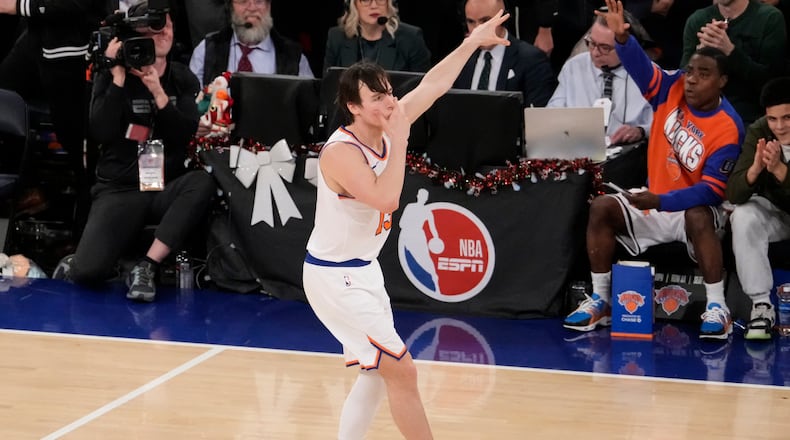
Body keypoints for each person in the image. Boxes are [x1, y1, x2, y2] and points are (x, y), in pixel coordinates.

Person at [302, 10, 509, 439]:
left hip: (363, 271)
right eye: (376, 98)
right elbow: (386, 198)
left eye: (390, 93)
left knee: (377, 373)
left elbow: (433, 84)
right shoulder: (341, 153)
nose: (390, 103)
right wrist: (400, 140)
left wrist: (473, 42)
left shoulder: (390, 121)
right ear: (353, 107)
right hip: (333, 278)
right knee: (402, 370)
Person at [564, 0, 744, 340]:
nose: (691, 81)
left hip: (691, 208)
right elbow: (641, 69)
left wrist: (660, 200)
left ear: (722, 81)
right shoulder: (672, 87)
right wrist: (621, 38)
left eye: (703, 75)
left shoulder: (728, 127)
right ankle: (601, 299)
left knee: (698, 214)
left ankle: (718, 307)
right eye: (690, 71)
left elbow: (711, 191)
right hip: (655, 200)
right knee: (602, 206)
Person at [53, 2, 217, 303]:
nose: (165, 32)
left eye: (169, 26)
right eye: (157, 27)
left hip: (164, 185)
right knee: (87, 273)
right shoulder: (114, 74)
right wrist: (116, 78)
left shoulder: (181, 77)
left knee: (201, 183)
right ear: (139, 33)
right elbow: (100, 131)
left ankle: (147, 265)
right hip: (121, 189)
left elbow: (184, 135)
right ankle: (101, 261)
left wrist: (158, 94)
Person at [0, 0, 108, 230]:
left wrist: (21, 5)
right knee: (4, 96)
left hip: (74, 46)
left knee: (76, 139)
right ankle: (28, 187)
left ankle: (88, 225)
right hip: (38, 35)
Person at [726, 77, 790, 340]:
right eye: (773, 119)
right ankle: (762, 307)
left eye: (787, 118)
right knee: (743, 215)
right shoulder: (760, 132)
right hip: (778, 214)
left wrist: (779, 170)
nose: (779, 126)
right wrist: (754, 170)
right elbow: (734, 193)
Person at [548, 12, 652, 145]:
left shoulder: (647, 73)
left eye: (605, 48)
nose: (595, 53)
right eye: (591, 43)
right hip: (578, 149)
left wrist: (641, 131)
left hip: (628, 156)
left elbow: (664, 124)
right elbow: (552, 114)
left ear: (625, 45)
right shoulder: (574, 67)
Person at [680, 0, 787, 125]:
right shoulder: (698, 20)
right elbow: (683, 77)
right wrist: (700, 57)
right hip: (700, 113)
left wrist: (730, 51)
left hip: (748, 114)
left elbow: (771, 82)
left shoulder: (769, 18)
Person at [189, 0, 314, 89]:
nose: (252, 8)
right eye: (243, 1)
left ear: (269, 5)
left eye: (259, 1)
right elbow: (191, 109)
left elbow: (310, 108)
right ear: (230, 7)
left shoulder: (293, 57)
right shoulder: (206, 51)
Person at [453, 0, 555, 108]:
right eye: (471, 22)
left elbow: (536, 115)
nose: (478, 29)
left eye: (485, 21)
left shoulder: (531, 60)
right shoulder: (460, 59)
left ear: (503, 19)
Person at [323, 0, 431, 74]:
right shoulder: (337, 37)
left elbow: (424, 90)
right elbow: (328, 91)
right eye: (366, 0)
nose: (374, 5)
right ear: (353, 5)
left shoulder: (410, 38)